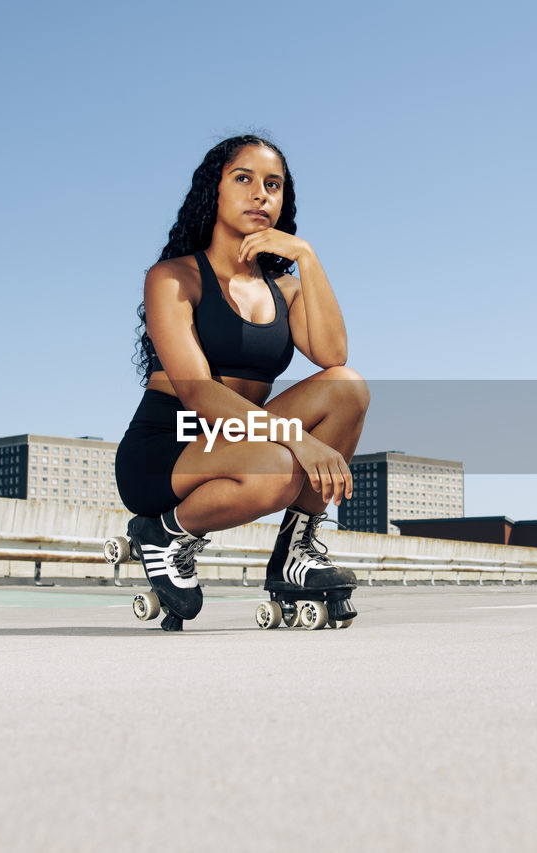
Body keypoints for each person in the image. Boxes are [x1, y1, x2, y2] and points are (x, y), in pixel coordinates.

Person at [115, 134, 370, 630]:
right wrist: (302, 442)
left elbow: (333, 355)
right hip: (170, 445)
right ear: (214, 191)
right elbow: (197, 391)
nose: (260, 194)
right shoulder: (174, 277)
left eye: (272, 185)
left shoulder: (286, 289)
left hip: (241, 437)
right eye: (243, 179)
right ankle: (165, 533)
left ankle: (296, 551)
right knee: (278, 466)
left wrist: (308, 258)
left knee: (347, 386)